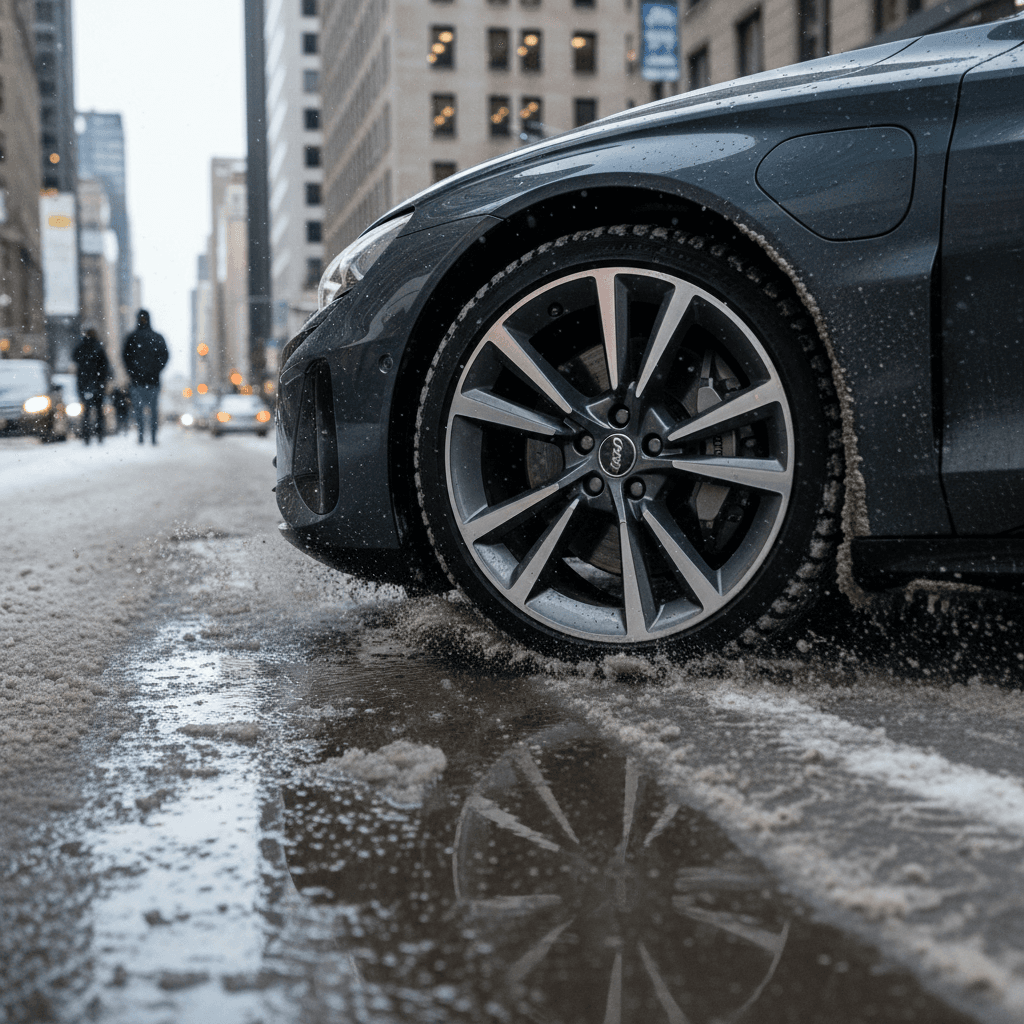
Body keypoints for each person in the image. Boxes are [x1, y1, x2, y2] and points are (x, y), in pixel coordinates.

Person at [121, 309, 169, 445]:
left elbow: (125, 357)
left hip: (138, 381)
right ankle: (152, 437)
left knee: (139, 411)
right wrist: (156, 370)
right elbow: (165, 356)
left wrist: (132, 372)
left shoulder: (132, 337)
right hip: (152, 381)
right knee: (153, 411)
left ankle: (142, 436)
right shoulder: (157, 337)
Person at [72, 327, 112, 445]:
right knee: (99, 411)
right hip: (98, 384)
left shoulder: (81, 347)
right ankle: (99, 435)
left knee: (87, 411)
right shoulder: (99, 347)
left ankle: (86, 436)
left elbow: (75, 359)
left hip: (84, 384)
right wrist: (102, 381)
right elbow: (105, 367)